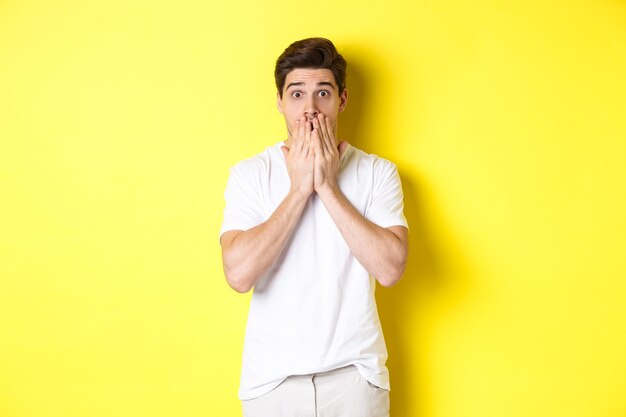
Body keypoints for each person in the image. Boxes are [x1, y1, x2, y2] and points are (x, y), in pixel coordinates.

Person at [219, 37, 409, 417]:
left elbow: (390, 268)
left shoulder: (377, 172)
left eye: (323, 92)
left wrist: (326, 186)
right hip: (271, 382)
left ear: (342, 100)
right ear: (279, 101)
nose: (309, 109)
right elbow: (238, 274)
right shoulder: (250, 175)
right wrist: (299, 189)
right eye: (296, 94)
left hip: (355, 379)